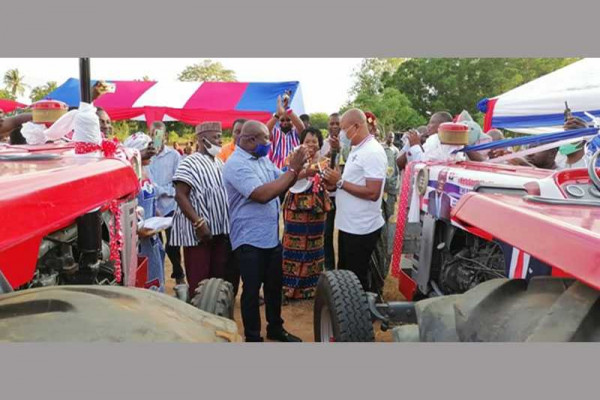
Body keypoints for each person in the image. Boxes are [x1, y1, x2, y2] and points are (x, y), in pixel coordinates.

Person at [223, 120, 307, 342]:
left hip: (269, 237)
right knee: (251, 291)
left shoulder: (261, 159)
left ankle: (275, 328)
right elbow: (262, 195)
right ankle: (253, 337)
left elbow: (281, 178)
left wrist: (306, 169)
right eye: (266, 139)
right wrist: (294, 169)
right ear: (251, 140)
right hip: (249, 239)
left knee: (273, 286)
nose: (269, 143)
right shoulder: (236, 164)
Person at [322, 109, 387, 293]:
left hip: (361, 228)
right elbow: (352, 182)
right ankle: (349, 314)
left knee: (356, 280)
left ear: (357, 127)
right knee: (346, 277)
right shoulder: (357, 149)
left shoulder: (372, 151)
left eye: (343, 128)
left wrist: (340, 182)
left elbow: (373, 192)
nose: (340, 133)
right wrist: (336, 182)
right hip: (349, 225)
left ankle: (360, 316)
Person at [170, 122, 231, 299]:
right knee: (199, 282)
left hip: (219, 231)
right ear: (202, 139)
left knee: (217, 281)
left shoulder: (219, 163)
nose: (220, 140)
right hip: (198, 234)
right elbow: (180, 195)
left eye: (220, 136)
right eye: (215, 137)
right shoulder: (189, 163)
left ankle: (215, 314)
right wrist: (199, 223)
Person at [281, 127, 332, 300]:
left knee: (315, 244)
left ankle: (311, 289)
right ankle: (289, 289)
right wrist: (306, 172)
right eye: (307, 141)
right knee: (292, 242)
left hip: (316, 206)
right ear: (301, 142)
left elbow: (328, 181)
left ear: (319, 143)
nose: (311, 144)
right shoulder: (293, 157)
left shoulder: (325, 160)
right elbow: (286, 175)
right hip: (296, 204)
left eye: (314, 141)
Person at [124, 132, 166, 292]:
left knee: (155, 275)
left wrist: (157, 213)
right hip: (136, 242)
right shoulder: (130, 175)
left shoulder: (146, 172)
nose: (151, 152)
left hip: (151, 237)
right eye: (146, 148)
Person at [147, 121, 185, 285]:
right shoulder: (146, 156)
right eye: (153, 134)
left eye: (159, 135)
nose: (156, 138)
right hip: (151, 208)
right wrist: (159, 189)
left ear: (165, 137)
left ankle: (179, 276)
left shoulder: (174, 156)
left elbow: (178, 183)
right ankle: (159, 278)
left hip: (170, 207)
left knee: (173, 245)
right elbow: (146, 181)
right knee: (155, 246)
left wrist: (161, 190)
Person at [320, 113, 342, 271]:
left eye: (337, 123)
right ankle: (329, 268)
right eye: (332, 123)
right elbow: (320, 164)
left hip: (345, 194)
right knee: (326, 234)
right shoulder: (323, 144)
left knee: (344, 233)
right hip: (328, 195)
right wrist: (331, 153)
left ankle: (343, 269)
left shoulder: (349, 142)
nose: (334, 126)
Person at [382, 131, 400, 221]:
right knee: (381, 212)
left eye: (392, 137)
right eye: (389, 137)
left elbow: (397, 169)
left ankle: (389, 234)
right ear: (386, 137)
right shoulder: (381, 148)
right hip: (381, 185)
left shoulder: (396, 150)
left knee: (390, 213)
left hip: (391, 185)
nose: (391, 139)